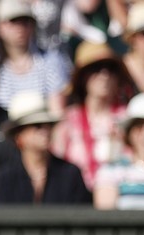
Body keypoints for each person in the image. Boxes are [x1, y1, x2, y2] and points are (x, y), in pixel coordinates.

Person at [50, 41, 129, 189]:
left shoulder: (128, 117)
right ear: (83, 77)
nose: (104, 75)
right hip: (77, 198)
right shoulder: (68, 119)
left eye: (110, 69)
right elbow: (57, 164)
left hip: (119, 195)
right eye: (96, 69)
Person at [0, 91, 91, 204]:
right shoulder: (6, 178)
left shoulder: (70, 173)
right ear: (19, 136)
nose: (45, 131)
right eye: (37, 126)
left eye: (48, 125)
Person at [0, 0, 72, 113]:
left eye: (25, 21)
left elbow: (57, 111)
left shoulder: (51, 61)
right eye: (14, 21)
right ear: (0, 27)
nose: (20, 27)